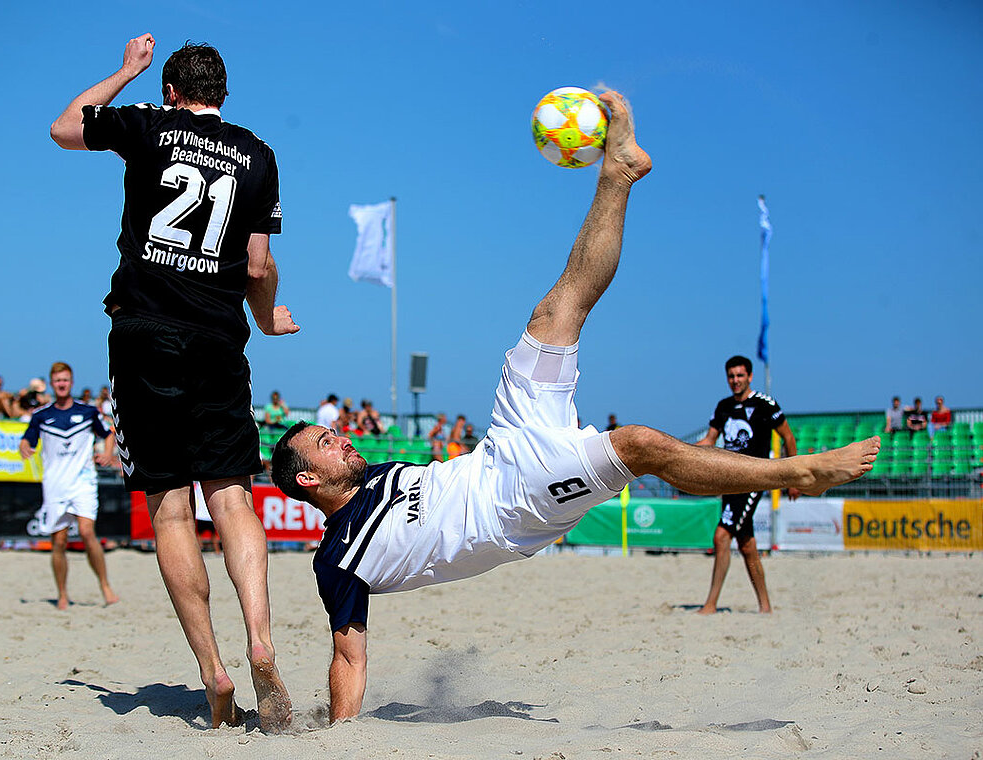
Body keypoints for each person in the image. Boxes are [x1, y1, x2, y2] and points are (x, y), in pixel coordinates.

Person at [270, 92, 879, 722]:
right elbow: (348, 656)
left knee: (555, 310)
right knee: (638, 444)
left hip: (503, 444)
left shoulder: (375, 475)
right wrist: (338, 734)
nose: (339, 437)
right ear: (308, 478)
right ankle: (800, 472)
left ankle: (617, 175)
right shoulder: (337, 558)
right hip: (517, 504)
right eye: (323, 442)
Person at [50, 33, 294, 730]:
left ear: (171, 92)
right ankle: (261, 639)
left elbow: (66, 126)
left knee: (169, 507)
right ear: (222, 93)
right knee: (234, 498)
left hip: (145, 333)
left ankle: (213, 669)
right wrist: (268, 320)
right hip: (219, 338)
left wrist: (123, 72)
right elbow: (257, 265)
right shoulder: (258, 155)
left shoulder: (150, 127)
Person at [694, 355, 799, 615]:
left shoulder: (766, 404)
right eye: (731, 376)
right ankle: (765, 607)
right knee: (747, 546)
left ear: (750, 376)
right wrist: (674, 453)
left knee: (721, 537)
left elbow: (788, 437)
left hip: (753, 479)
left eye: (740, 375)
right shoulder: (723, 406)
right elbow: (710, 440)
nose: (735, 380)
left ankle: (710, 604)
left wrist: (793, 478)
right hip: (729, 481)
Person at [19, 362, 119, 611]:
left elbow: (108, 433)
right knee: (59, 541)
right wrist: (24, 447)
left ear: (71, 382)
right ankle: (62, 594)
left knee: (87, 532)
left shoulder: (87, 411)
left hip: (83, 481)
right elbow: (27, 440)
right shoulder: (41, 415)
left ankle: (105, 587)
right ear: (52, 384)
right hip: (55, 484)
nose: (62, 384)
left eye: (65, 380)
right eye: (57, 381)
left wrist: (107, 454)